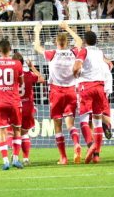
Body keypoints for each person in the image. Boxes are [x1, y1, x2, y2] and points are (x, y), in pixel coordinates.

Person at [33, 21, 85, 165]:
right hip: (71, 91)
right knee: (70, 124)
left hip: (56, 92)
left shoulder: (52, 54)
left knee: (57, 125)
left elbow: (37, 47)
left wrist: (37, 30)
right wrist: (67, 27)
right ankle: (76, 144)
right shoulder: (73, 52)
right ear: (67, 42)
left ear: (56, 42)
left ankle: (63, 157)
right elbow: (80, 41)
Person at [0, 38, 24, 170]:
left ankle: (5, 162)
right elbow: (20, 82)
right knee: (17, 130)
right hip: (14, 101)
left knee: (1, 132)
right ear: (10, 50)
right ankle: (15, 158)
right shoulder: (17, 64)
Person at [78, 30, 111, 164]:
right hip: (102, 88)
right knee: (98, 121)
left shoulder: (84, 52)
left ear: (85, 41)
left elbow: (76, 66)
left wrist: (76, 72)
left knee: (84, 120)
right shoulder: (100, 53)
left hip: (87, 86)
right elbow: (110, 64)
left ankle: (91, 144)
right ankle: (96, 154)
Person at [13, 52, 44, 166]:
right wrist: (32, 67)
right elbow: (41, 79)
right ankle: (25, 158)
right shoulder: (29, 74)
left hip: (16, 106)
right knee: (25, 132)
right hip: (28, 107)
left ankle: (15, 155)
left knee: (14, 132)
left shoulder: (11, 76)